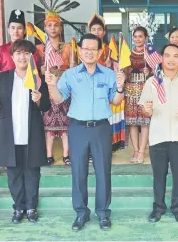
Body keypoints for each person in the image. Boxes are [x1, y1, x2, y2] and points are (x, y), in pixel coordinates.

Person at [45, 33, 125, 231]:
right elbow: (58, 99)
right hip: (78, 128)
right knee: (78, 171)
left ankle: (103, 213)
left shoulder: (108, 74)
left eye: (93, 49)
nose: (89, 52)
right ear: (79, 51)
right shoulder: (71, 74)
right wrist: (51, 84)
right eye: (85, 49)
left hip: (101, 128)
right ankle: (81, 213)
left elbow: (115, 101)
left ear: (100, 52)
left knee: (103, 172)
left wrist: (121, 87)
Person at [0, 40, 50, 223]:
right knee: (14, 174)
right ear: (13, 56)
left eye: (26, 53)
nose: (22, 57)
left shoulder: (38, 79)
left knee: (32, 172)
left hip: (32, 134)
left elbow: (46, 106)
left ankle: (31, 207)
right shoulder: (3, 77)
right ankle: (18, 208)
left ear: (32, 56)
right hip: (10, 134)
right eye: (18, 53)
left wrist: (39, 99)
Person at [139, 44, 178, 223]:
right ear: (162, 58)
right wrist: (147, 110)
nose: (171, 59)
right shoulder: (152, 82)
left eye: (175, 56)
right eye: (167, 55)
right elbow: (145, 109)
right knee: (158, 175)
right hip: (158, 136)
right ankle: (158, 208)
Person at [36, 7, 76, 166]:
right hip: (47, 89)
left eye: (56, 25)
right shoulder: (40, 49)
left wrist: (66, 69)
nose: (53, 28)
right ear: (45, 28)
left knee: (66, 125)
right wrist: (41, 70)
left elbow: (74, 69)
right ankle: (49, 154)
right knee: (49, 125)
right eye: (49, 25)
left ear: (60, 28)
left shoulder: (67, 47)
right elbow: (33, 70)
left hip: (64, 89)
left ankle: (66, 154)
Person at [89, 13, 126, 153]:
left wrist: (110, 64)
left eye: (99, 29)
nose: (97, 32)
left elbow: (119, 68)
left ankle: (110, 144)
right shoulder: (85, 49)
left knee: (107, 118)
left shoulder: (110, 48)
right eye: (94, 29)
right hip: (91, 89)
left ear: (104, 32)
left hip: (106, 88)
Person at [0, 9, 40, 77]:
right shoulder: (1, 50)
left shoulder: (31, 49)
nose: (15, 31)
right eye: (12, 28)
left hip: (27, 85)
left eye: (19, 28)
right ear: (8, 30)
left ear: (24, 30)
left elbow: (37, 70)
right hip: (6, 86)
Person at [124, 26, 151, 164]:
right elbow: (123, 72)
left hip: (145, 89)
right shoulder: (127, 53)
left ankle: (141, 151)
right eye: (135, 36)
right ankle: (135, 149)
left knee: (145, 122)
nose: (138, 39)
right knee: (132, 122)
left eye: (141, 36)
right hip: (130, 90)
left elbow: (158, 74)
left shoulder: (150, 54)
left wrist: (149, 73)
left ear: (145, 38)